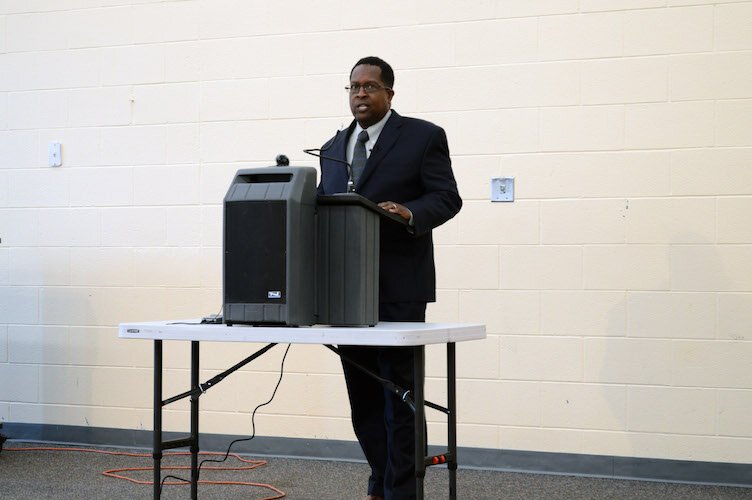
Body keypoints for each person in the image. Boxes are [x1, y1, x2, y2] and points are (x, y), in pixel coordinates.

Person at [316, 56, 462, 500]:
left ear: (389, 94)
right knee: (362, 398)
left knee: (399, 397)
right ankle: (380, 481)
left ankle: (404, 491)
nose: (360, 94)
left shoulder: (422, 137)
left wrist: (410, 212)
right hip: (346, 292)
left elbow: (446, 198)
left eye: (370, 86)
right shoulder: (332, 147)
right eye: (353, 87)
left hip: (399, 288)